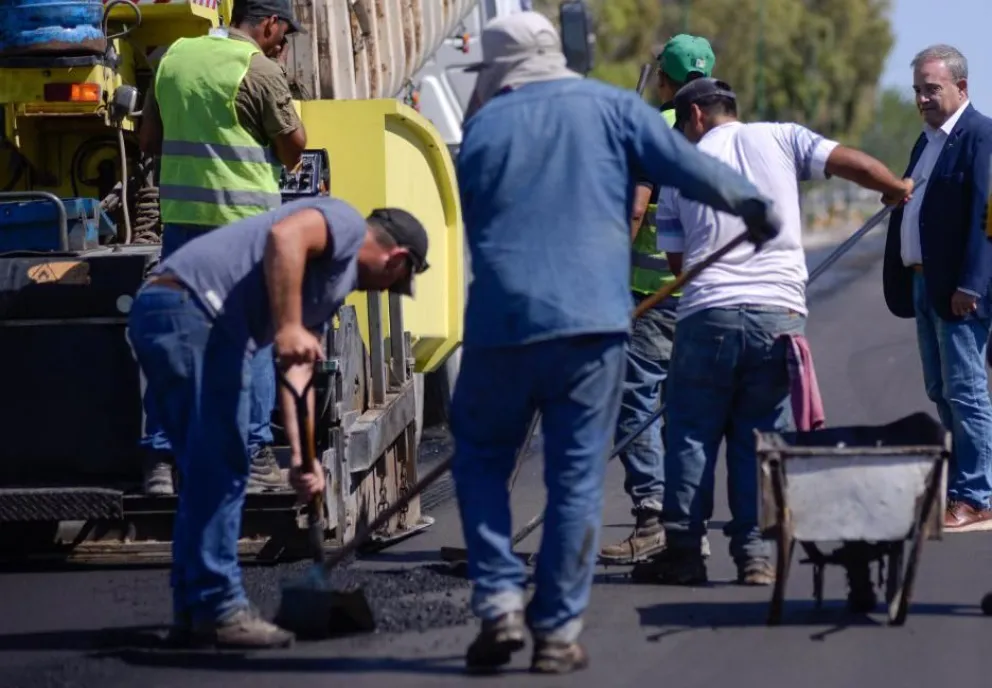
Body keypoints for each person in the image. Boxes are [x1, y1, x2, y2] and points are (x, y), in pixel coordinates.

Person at [451, 12, 781, 675]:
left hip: (502, 324)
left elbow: (479, 214)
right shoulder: (612, 108)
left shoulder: (483, 126)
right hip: (593, 326)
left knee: (482, 460)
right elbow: (686, 168)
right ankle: (555, 633)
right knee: (574, 476)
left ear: (498, 74)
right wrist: (752, 205)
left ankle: (498, 604)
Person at [638, 77, 913, 587]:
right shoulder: (783, 137)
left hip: (708, 314)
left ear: (696, 116)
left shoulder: (677, 169)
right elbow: (850, 161)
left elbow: (681, 264)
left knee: (692, 436)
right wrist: (894, 187)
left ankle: (684, 555)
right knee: (759, 437)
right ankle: (756, 556)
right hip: (779, 317)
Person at [127, 197, 429, 649]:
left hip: (175, 314)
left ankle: (194, 609)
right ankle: (220, 607)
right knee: (225, 467)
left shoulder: (327, 286)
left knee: (208, 471)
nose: (385, 291)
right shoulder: (344, 224)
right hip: (191, 311)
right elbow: (284, 235)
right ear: (398, 258)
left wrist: (306, 460)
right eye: (395, 283)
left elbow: (298, 373)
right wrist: (288, 326)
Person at [136, 0, 307, 496]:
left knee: (177, 337)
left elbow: (148, 140)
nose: (282, 44)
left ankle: (161, 462)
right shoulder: (258, 69)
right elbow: (294, 147)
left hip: (182, 227)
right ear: (269, 23)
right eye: (283, 34)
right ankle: (253, 458)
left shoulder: (173, 58)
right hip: (242, 229)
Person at [600, 33, 717, 566]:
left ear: (665, 83)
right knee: (684, 415)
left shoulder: (654, 129)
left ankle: (652, 518)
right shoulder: (726, 131)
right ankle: (689, 524)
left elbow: (635, 210)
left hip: (651, 294)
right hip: (708, 296)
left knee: (634, 405)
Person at [882, 44, 992, 531]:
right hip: (923, 285)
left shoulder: (980, 137)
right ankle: (963, 487)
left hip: (958, 292)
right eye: (917, 91)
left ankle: (976, 495)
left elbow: (990, 216)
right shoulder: (927, 142)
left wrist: (972, 283)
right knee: (941, 389)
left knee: (966, 392)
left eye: (932, 88)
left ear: (961, 88)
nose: (923, 98)